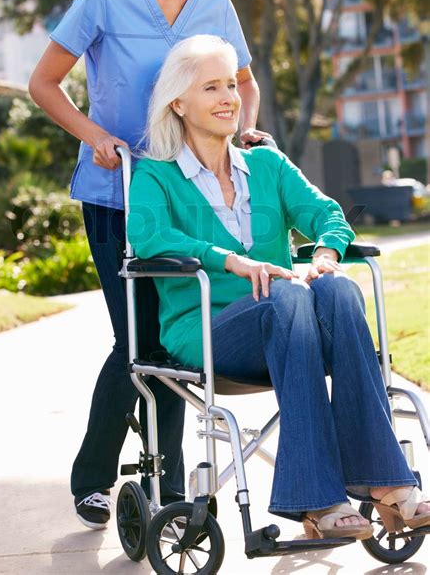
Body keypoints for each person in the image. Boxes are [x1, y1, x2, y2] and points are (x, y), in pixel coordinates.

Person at [29, 0, 269, 529]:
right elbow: (44, 83)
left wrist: (241, 129)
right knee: (138, 338)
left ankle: (164, 487)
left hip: (187, 196)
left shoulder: (214, 1)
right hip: (117, 195)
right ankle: (95, 476)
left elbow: (242, 84)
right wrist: (95, 135)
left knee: (169, 337)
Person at [127, 34, 430, 539]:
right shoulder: (156, 176)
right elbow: (150, 235)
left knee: (334, 290)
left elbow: (328, 214)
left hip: (290, 330)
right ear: (178, 103)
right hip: (207, 330)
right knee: (289, 294)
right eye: (211, 88)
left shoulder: (267, 165)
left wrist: (327, 255)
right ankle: (316, 498)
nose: (229, 98)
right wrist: (232, 260)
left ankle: (384, 484)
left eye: (231, 85)